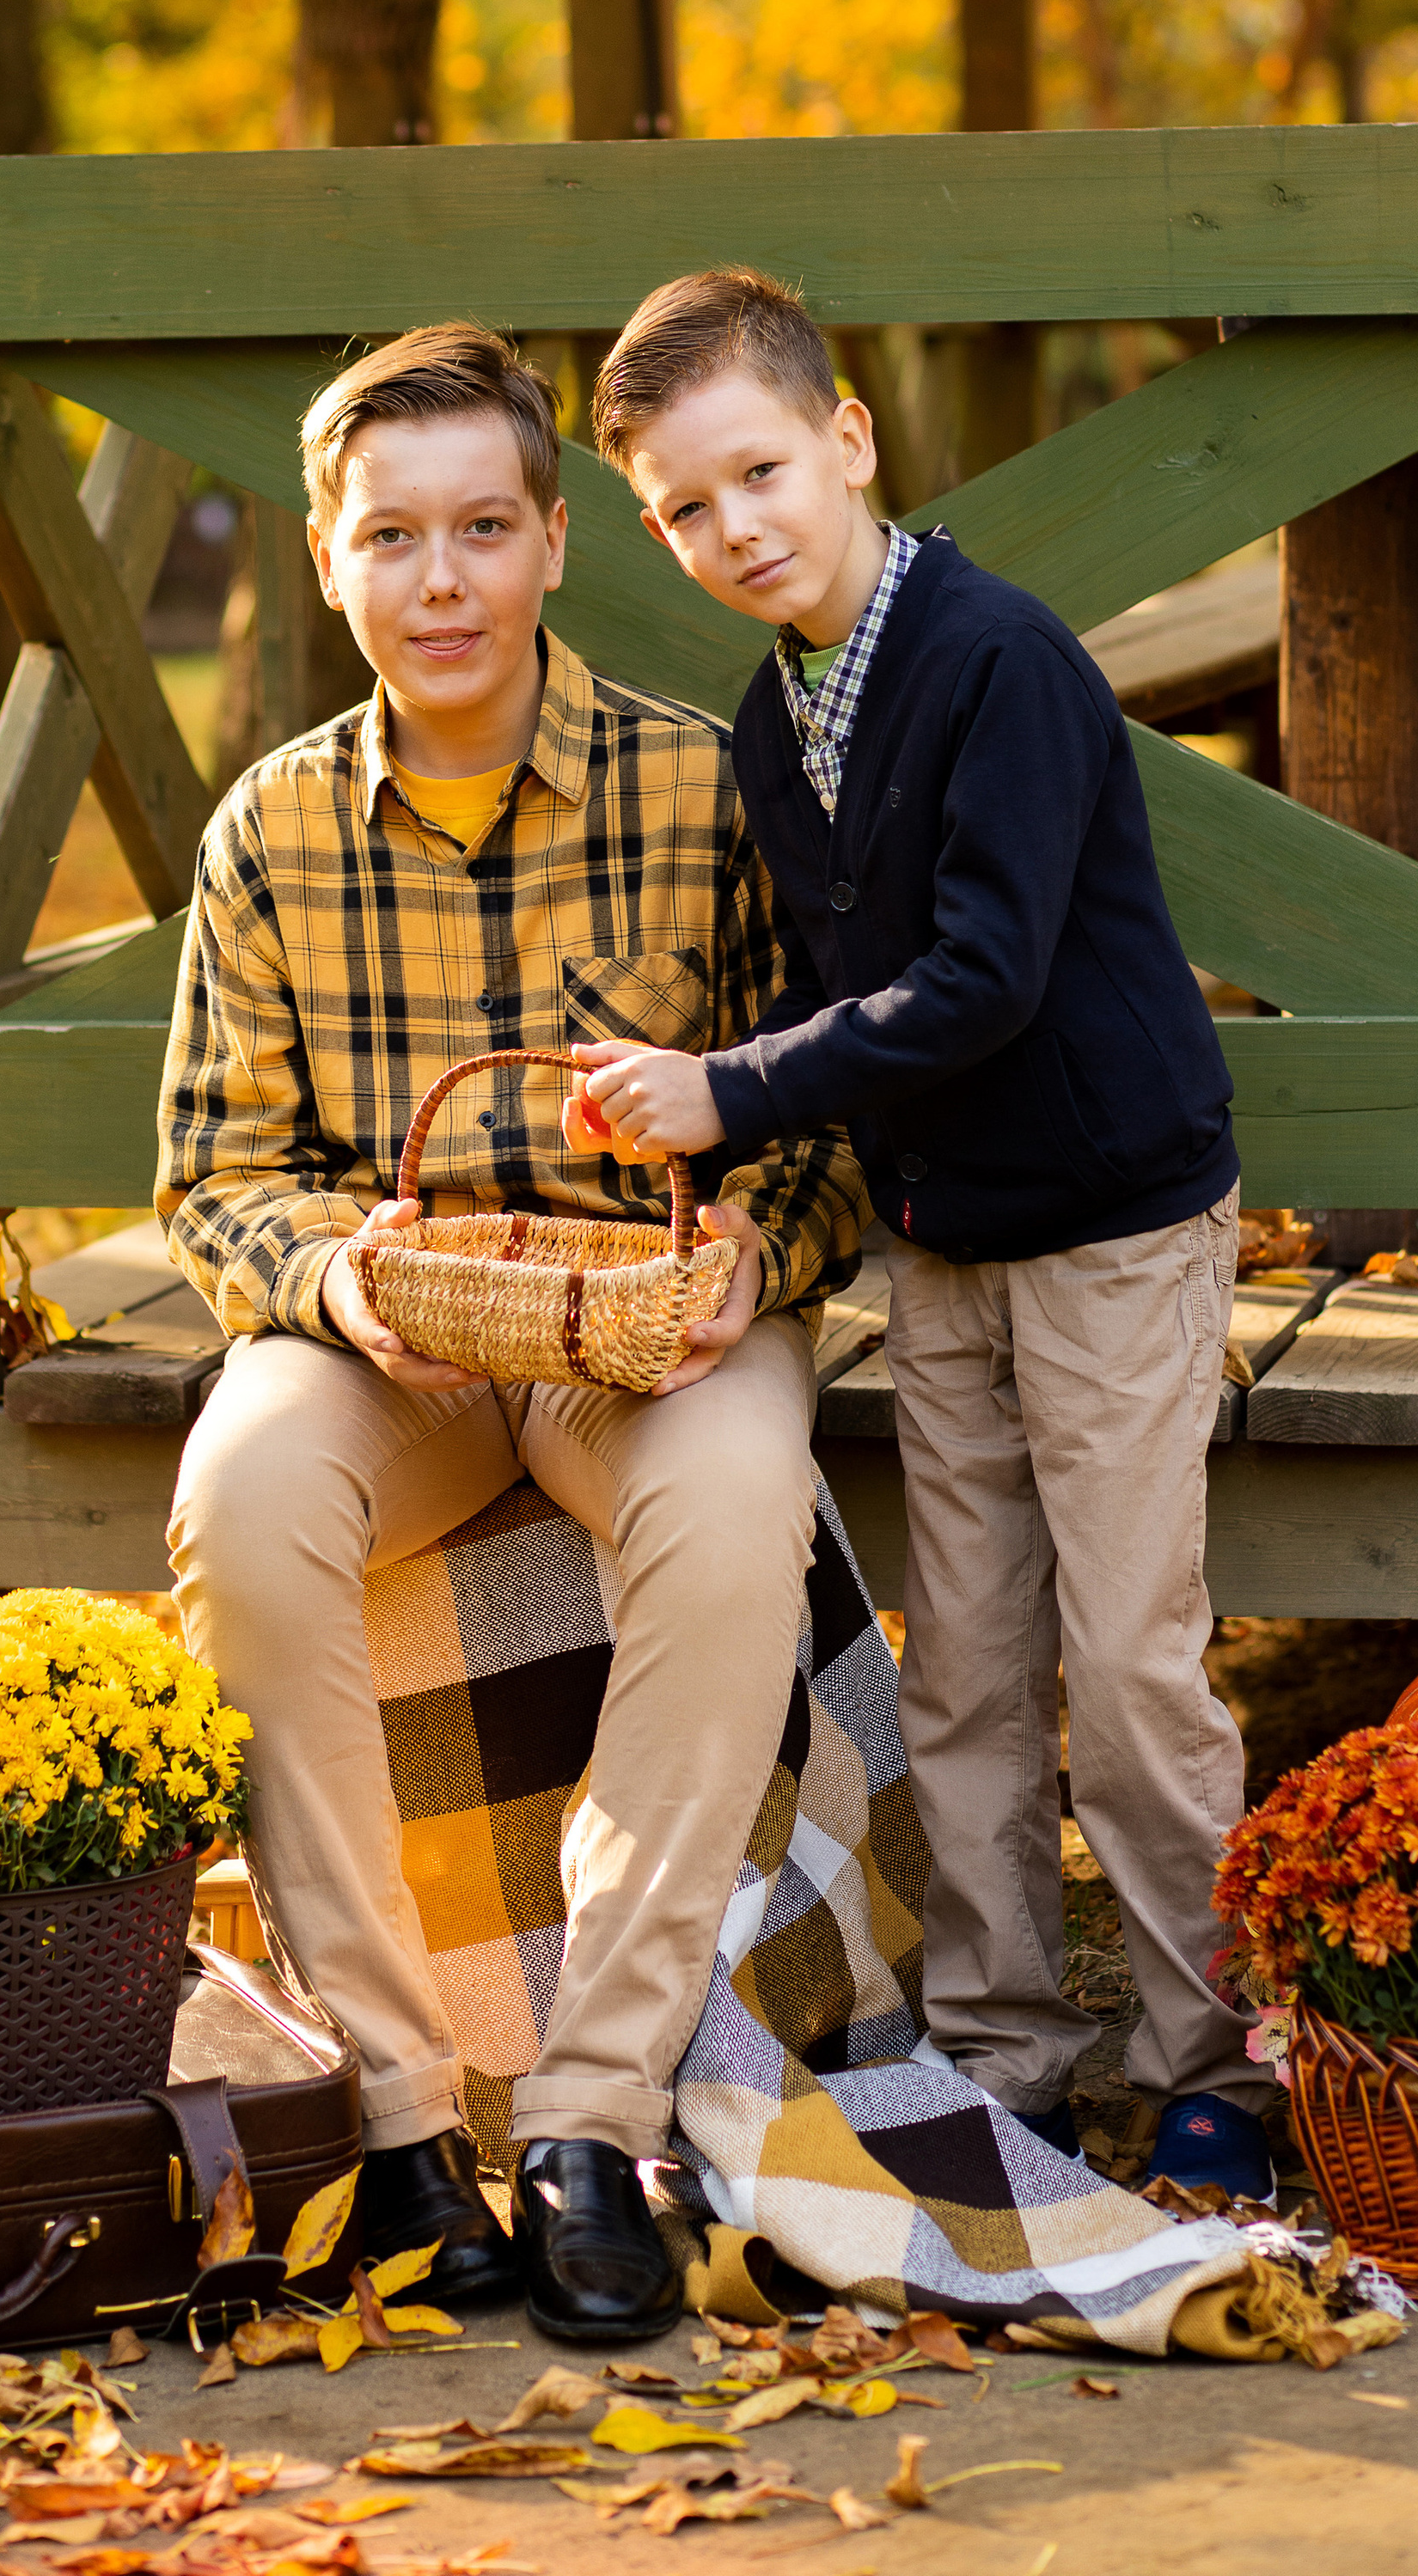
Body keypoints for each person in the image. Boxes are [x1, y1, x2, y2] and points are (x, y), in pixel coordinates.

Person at [157, 322, 865, 2342]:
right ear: (326, 561)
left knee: (731, 1504)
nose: (440, 579)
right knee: (242, 1498)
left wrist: (753, 1263)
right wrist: (341, 1279)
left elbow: (825, 1119)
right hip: (395, 1345)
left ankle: (588, 2113)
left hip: (648, 1332)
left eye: (482, 528)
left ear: (556, 541)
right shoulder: (270, 830)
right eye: (391, 536)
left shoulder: (698, 785)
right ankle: (392, 2112)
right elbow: (213, 1176)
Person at [579, 266, 1276, 2205]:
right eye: (684, 507)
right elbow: (834, 977)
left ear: (849, 438)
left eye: (760, 472)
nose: (735, 527)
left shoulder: (998, 663)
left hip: (1113, 1222)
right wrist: (720, 1118)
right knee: (964, 1666)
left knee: (1126, 1668)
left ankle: (1211, 2056)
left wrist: (732, 1089)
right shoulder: (774, 710)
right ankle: (1001, 2046)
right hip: (944, 1241)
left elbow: (984, 977)